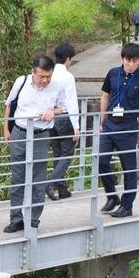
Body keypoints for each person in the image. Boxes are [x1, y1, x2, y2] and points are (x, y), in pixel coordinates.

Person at [3, 55, 68, 232]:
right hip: (20, 132)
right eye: (41, 76)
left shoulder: (57, 86)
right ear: (33, 72)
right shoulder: (21, 81)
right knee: (17, 177)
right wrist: (6, 129)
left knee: (38, 179)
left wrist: (53, 111)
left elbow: (63, 107)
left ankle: (33, 219)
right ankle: (16, 218)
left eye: (48, 76)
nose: (45, 80)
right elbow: (9, 105)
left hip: (41, 134)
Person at [98, 43, 139, 218]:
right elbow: (105, 96)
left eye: (135, 61)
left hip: (128, 127)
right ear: (122, 59)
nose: (131, 64)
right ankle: (112, 196)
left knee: (128, 168)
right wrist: (102, 119)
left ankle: (127, 205)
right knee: (102, 160)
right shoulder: (113, 73)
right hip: (110, 124)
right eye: (128, 60)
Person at [47, 43, 81, 201]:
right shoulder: (68, 77)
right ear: (68, 59)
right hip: (65, 117)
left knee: (57, 153)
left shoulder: (49, 73)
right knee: (67, 154)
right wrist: (77, 126)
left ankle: (62, 189)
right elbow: (72, 102)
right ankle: (51, 183)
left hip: (51, 117)